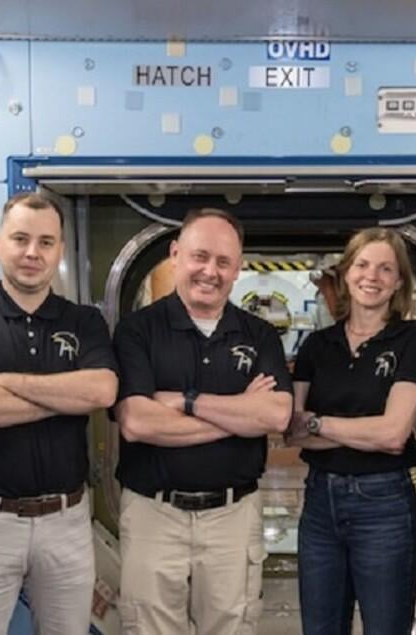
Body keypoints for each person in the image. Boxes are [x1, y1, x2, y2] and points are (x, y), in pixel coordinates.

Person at [0, 192, 118, 635]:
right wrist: (63, 397)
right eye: (20, 239)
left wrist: (7, 382)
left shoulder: (85, 322)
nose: (33, 252)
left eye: (46, 242)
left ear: (59, 251)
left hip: (67, 522)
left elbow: (102, 390)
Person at [112, 207, 294, 634]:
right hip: (153, 514)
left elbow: (277, 414)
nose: (210, 271)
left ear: (238, 268)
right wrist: (239, 413)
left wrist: (186, 402)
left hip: (234, 516)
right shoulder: (137, 331)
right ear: (176, 254)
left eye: (224, 262)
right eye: (200, 256)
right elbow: (137, 423)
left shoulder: (259, 335)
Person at [286, 227, 416, 634]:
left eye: (386, 269)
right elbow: (293, 431)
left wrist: (318, 422)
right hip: (320, 504)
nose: (372, 276)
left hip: (385, 506)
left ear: (399, 282)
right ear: (346, 273)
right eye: (363, 265)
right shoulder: (317, 346)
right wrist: (363, 430)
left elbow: (393, 434)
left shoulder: (412, 342)